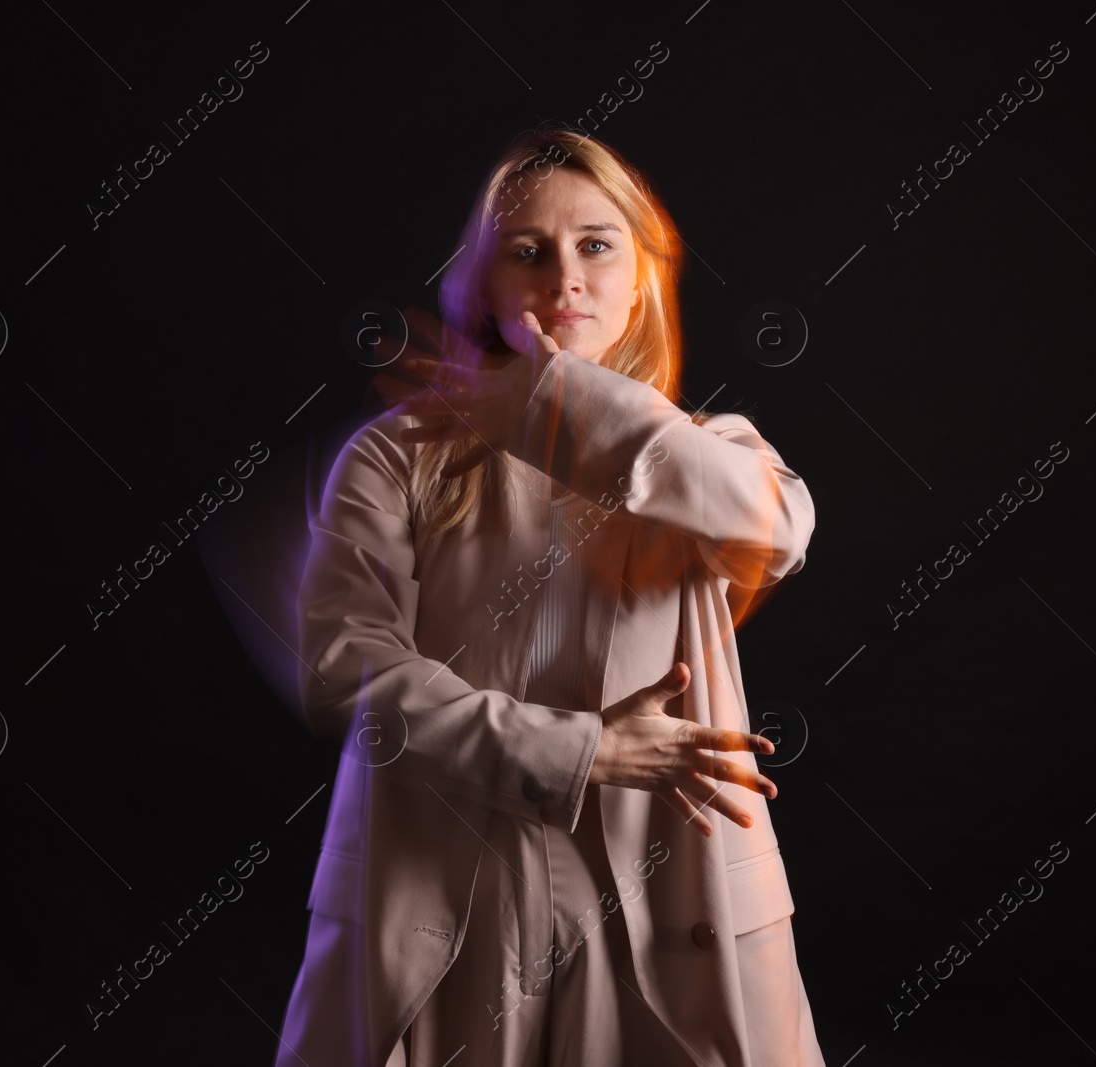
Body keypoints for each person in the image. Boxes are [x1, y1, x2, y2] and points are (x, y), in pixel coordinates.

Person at [273, 124, 825, 1066]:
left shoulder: (713, 452)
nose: (563, 277)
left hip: (665, 891)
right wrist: (586, 749)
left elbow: (779, 533)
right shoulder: (393, 458)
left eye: (595, 245)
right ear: (485, 284)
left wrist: (545, 399)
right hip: (452, 892)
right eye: (526, 252)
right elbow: (345, 675)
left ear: (640, 276)